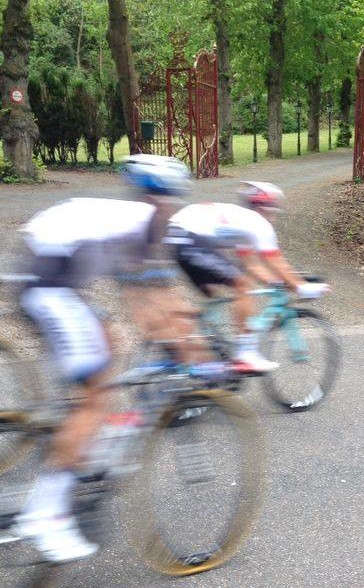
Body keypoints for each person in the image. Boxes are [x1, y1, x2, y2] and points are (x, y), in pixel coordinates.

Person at [14, 154, 204, 562]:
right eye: (171, 200)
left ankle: (77, 441)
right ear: (161, 199)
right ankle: (45, 515)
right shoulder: (142, 223)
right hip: (50, 289)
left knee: (109, 343)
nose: (172, 209)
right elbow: (147, 305)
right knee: (96, 397)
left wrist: (179, 325)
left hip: (56, 283)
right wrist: (188, 348)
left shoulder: (130, 219)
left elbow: (155, 293)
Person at [166, 181, 329, 373]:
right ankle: (245, 355)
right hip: (190, 240)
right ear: (263, 207)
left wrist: (281, 282)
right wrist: (301, 287)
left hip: (182, 238)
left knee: (215, 295)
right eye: (272, 211)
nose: (273, 217)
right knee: (242, 285)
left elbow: (254, 266)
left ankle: (184, 340)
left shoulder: (241, 222)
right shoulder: (257, 223)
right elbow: (276, 261)